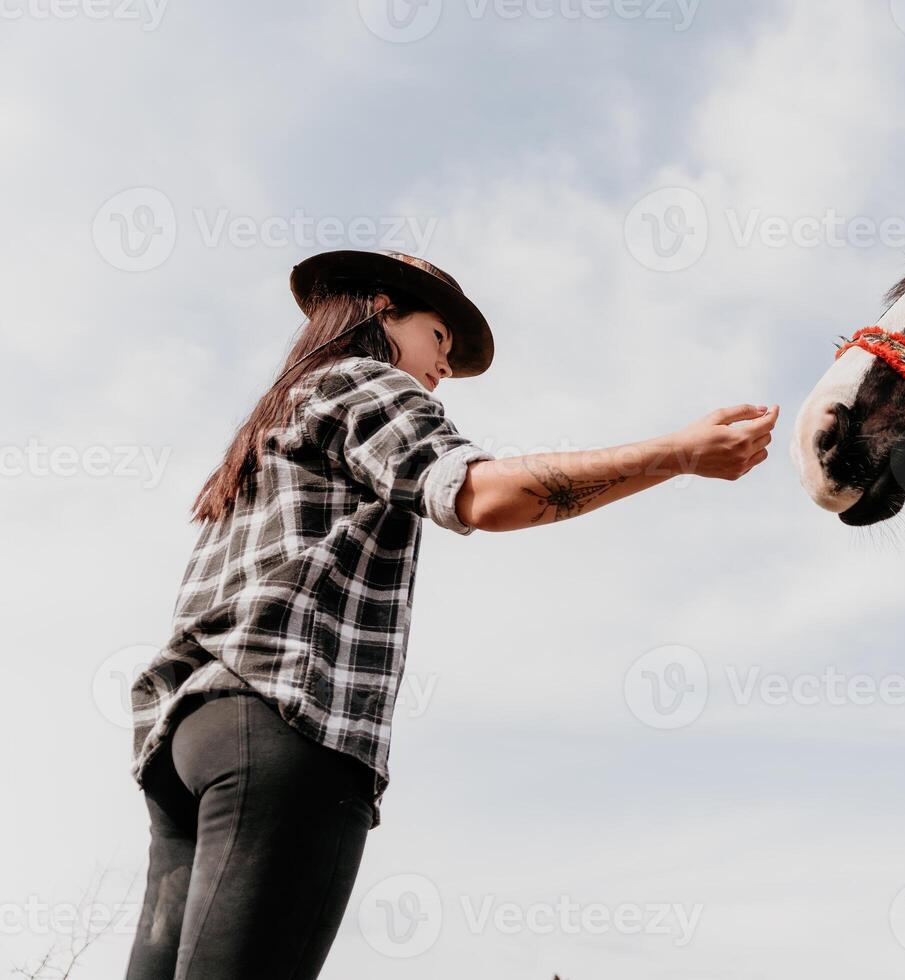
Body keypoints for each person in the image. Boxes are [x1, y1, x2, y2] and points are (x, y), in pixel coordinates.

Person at [124, 249, 779, 979]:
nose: (445, 366)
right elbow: (483, 495)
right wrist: (676, 454)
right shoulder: (360, 382)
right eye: (440, 338)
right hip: (287, 725)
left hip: (190, 737)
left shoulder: (273, 420)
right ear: (383, 309)